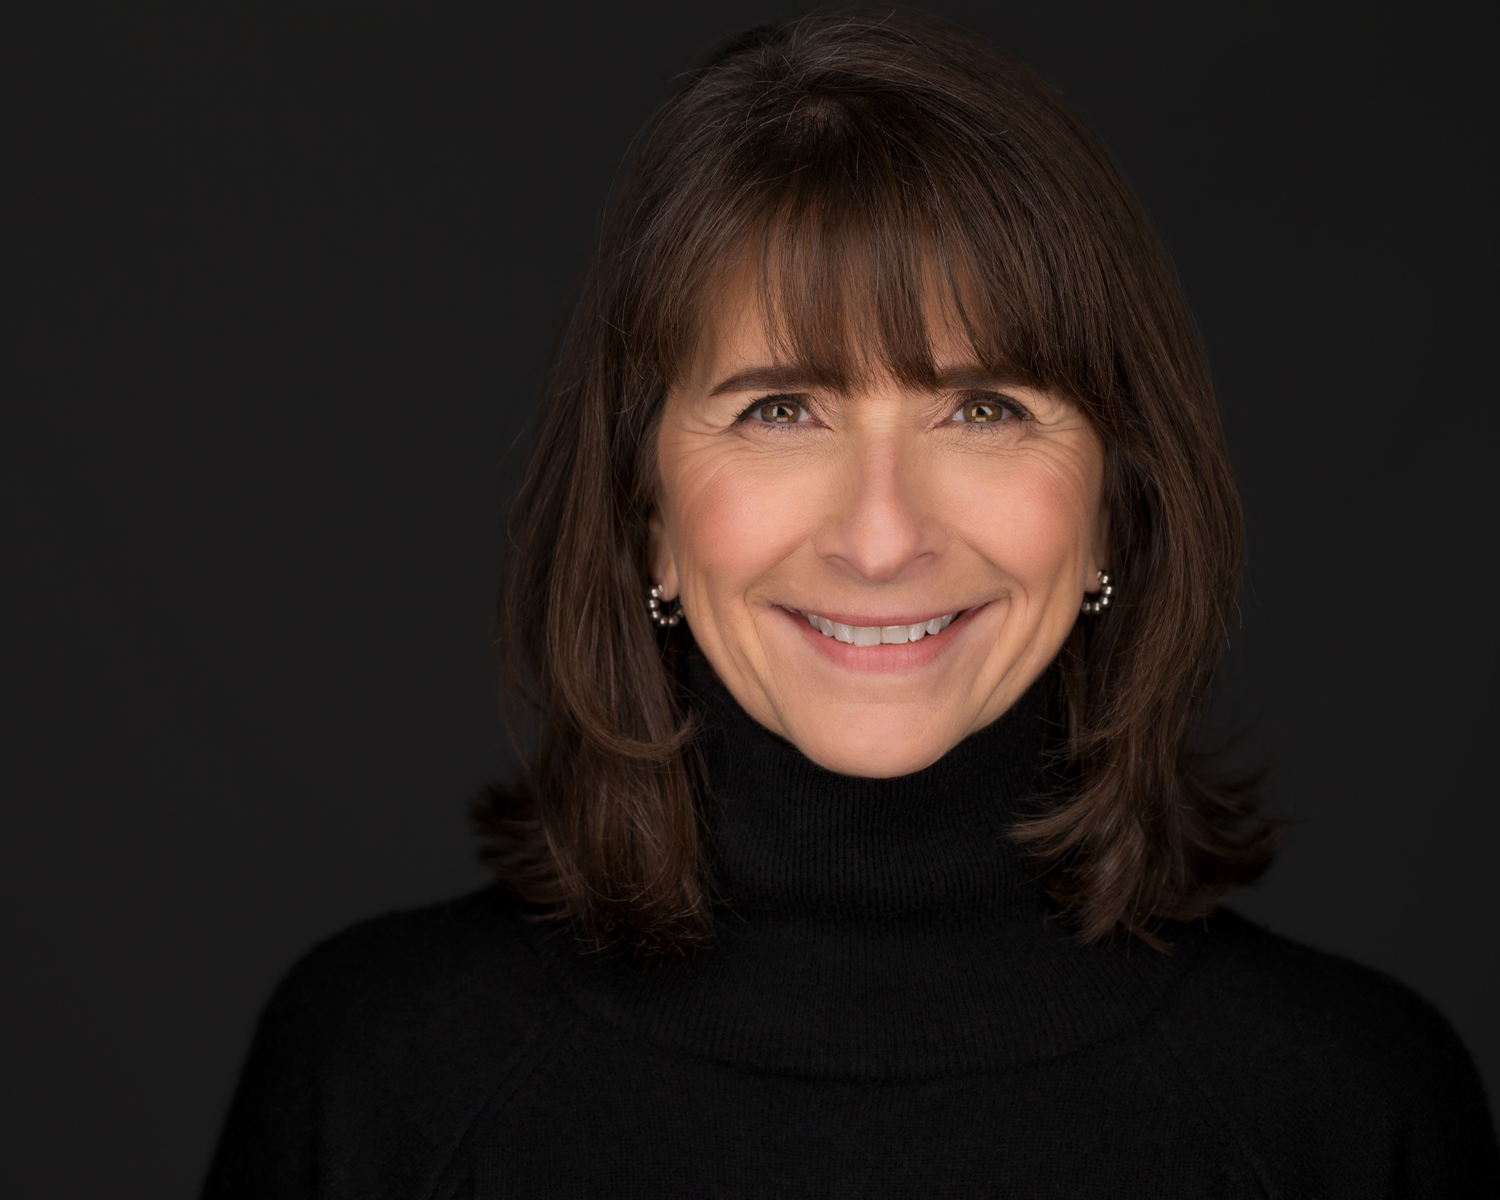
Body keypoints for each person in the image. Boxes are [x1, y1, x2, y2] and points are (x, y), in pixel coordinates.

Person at [202, 10, 1498, 1196]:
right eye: (782, 409)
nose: (881, 538)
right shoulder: (382, 1080)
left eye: (982, 409)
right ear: (647, 516)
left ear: (1114, 503)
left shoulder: (1346, 1111)